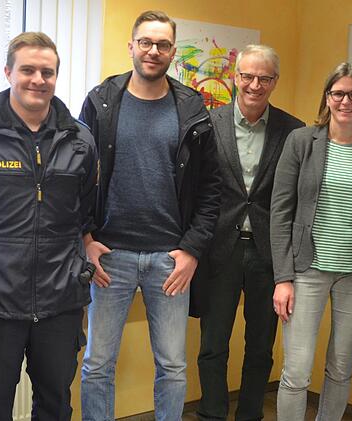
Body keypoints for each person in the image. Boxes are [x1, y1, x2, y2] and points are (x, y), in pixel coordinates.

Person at [0, 32, 97, 420]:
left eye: (47, 72)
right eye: (28, 70)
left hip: (60, 300)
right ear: (8, 72)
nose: (38, 80)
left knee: (56, 406)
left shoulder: (80, 140)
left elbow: (87, 213)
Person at [79, 10, 220, 421]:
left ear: (173, 52)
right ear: (131, 46)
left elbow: (211, 188)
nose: (153, 51)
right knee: (97, 364)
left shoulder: (192, 108)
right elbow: (76, 176)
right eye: (146, 42)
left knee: (173, 366)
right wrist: (86, 239)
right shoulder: (102, 101)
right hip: (110, 257)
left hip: (170, 260)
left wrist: (192, 250)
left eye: (162, 44)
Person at [271, 62, 352, 421]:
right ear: (327, 97)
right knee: (296, 371)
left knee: (341, 368)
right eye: (338, 93)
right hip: (306, 270)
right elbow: (280, 211)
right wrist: (283, 278)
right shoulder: (301, 141)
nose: (345, 101)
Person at [195, 44, 304, 421]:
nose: (255, 85)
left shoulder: (293, 131)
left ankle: (250, 414)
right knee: (212, 345)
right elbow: (196, 188)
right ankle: (211, 414)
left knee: (260, 348)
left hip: (268, 253)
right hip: (218, 249)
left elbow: (296, 198)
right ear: (235, 77)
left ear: (275, 81)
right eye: (248, 76)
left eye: (264, 78)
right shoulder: (209, 123)